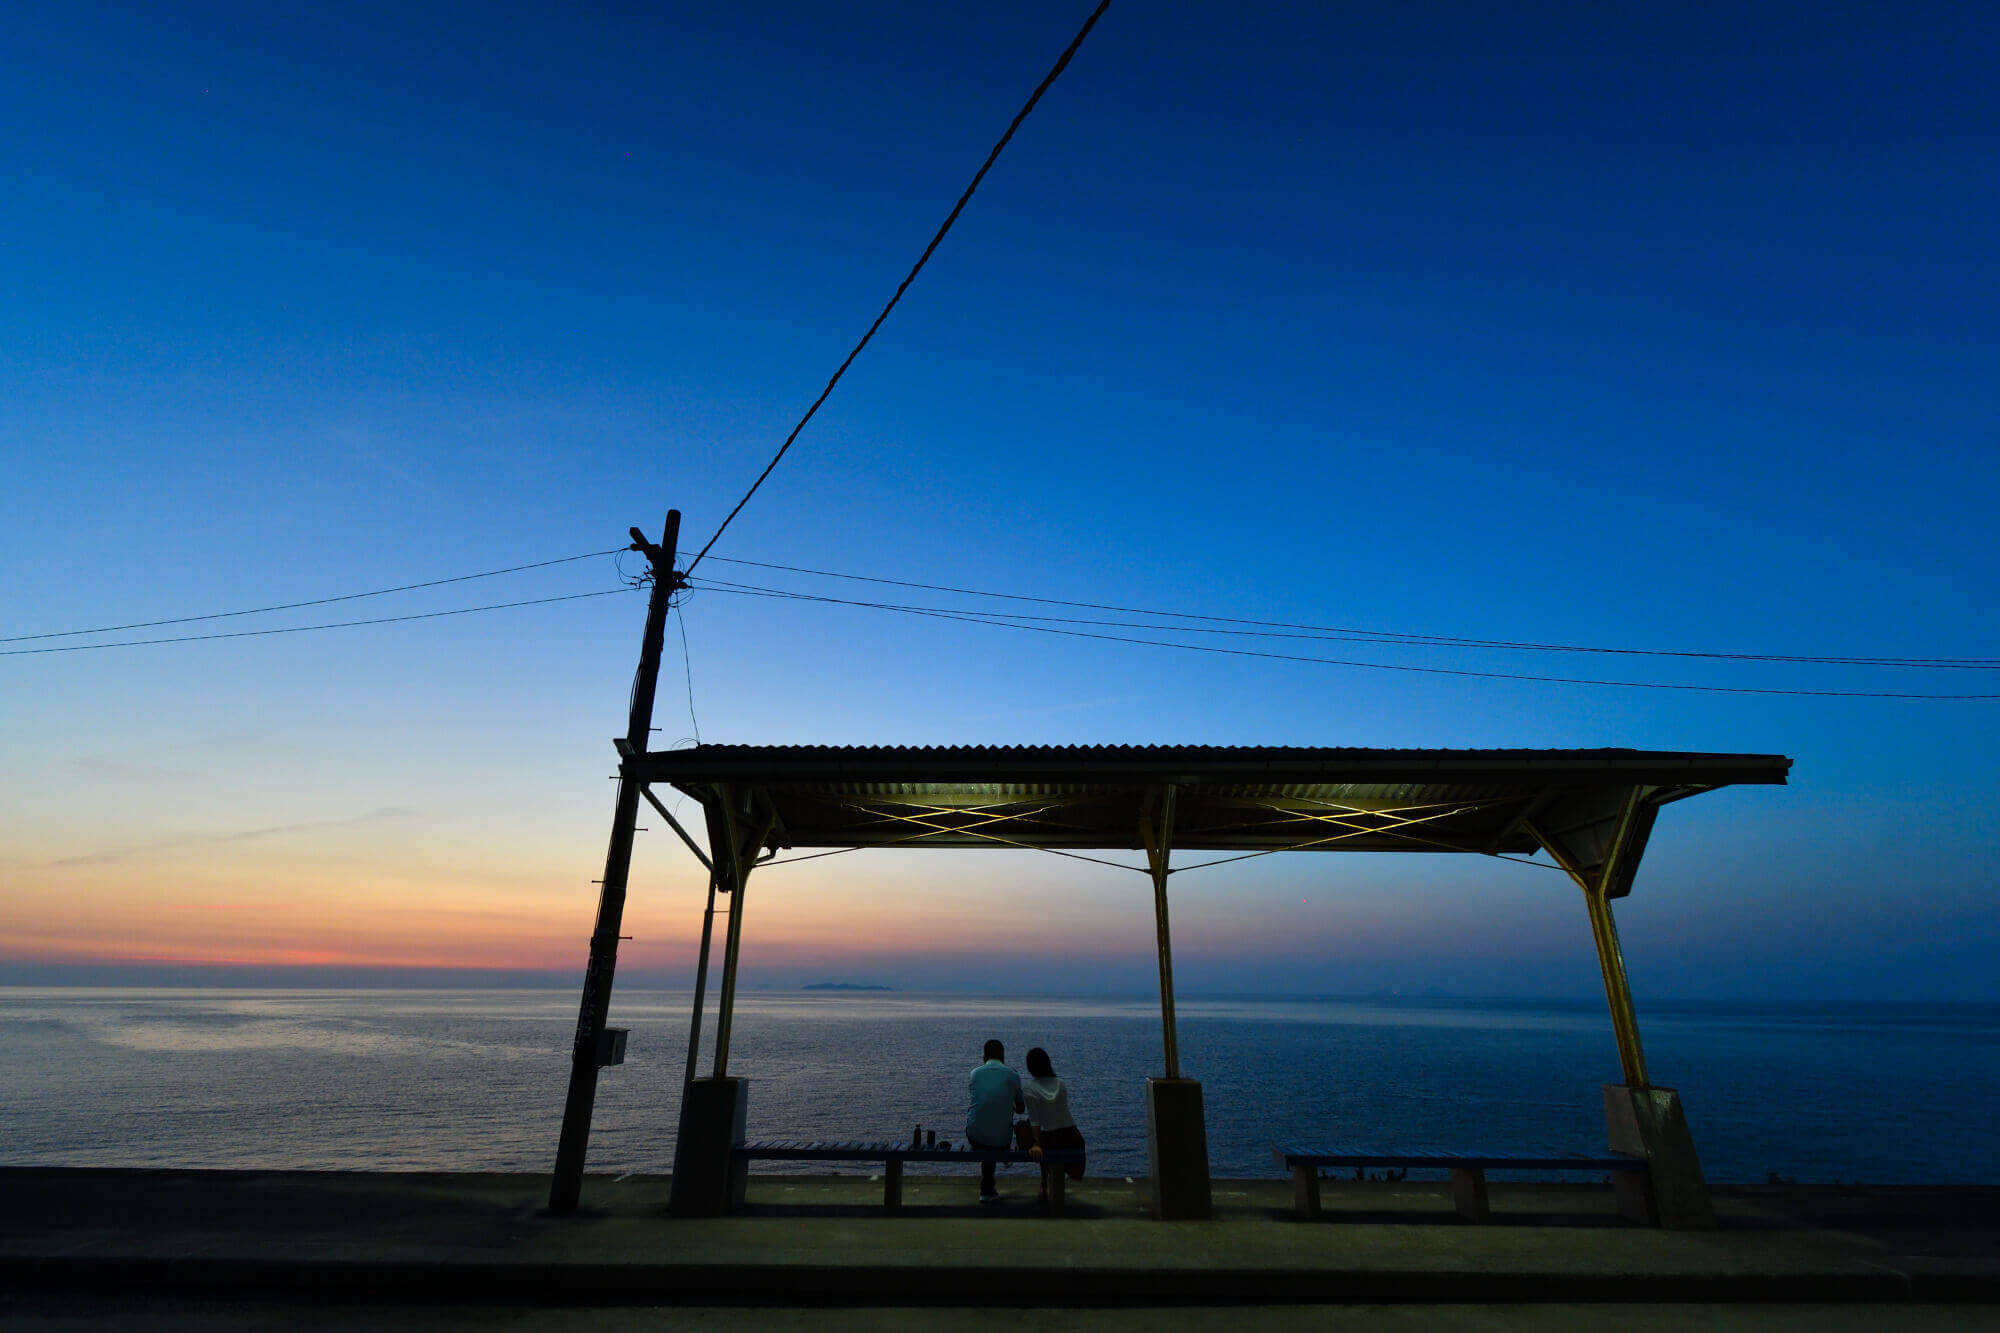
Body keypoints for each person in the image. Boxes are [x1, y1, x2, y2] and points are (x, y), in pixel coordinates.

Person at [1020, 1046, 1086, 1208]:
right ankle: (1046, 1183)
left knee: (1024, 1128)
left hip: (1050, 1138)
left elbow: (1036, 1121)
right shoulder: (1061, 1084)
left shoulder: (1029, 1088)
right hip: (1072, 1136)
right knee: (1044, 1138)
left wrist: (1035, 1143)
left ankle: (1044, 1183)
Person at [964, 1038, 1022, 1203]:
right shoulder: (1012, 1074)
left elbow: (977, 1100)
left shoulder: (975, 1073)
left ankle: (987, 1188)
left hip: (975, 1134)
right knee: (996, 1133)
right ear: (1003, 1056)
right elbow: (1021, 1108)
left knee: (984, 1129)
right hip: (1002, 1138)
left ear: (984, 1057)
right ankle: (987, 1187)